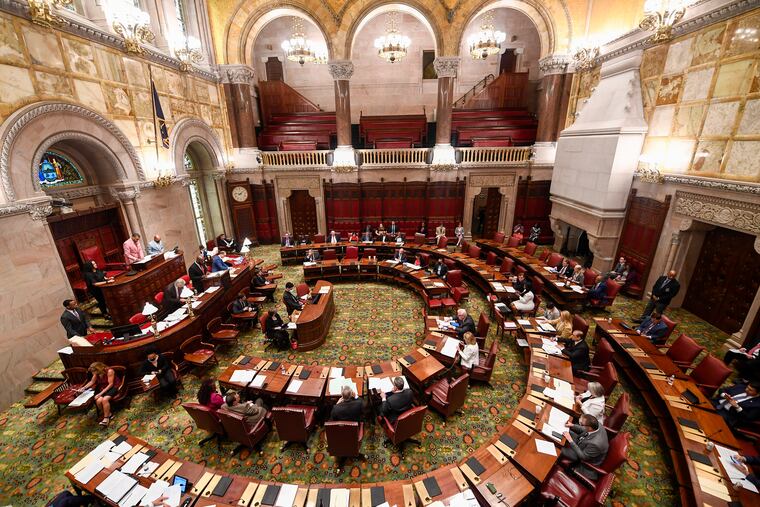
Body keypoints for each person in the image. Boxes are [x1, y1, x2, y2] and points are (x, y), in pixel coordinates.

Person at [560, 414, 609, 480]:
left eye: (581, 424)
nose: (580, 424)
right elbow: (584, 429)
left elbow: (583, 457)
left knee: (558, 448)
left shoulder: (596, 444)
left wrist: (570, 440)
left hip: (581, 458)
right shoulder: (596, 424)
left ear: (589, 428)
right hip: (582, 441)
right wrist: (572, 425)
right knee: (564, 431)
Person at [79, 362, 122, 426]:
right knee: (98, 401)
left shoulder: (109, 371)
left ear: (98, 369)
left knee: (105, 399)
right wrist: (84, 387)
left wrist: (100, 393)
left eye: (93, 372)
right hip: (103, 387)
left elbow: (111, 384)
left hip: (113, 387)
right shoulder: (96, 373)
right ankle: (109, 414)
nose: (93, 373)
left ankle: (106, 419)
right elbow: (92, 381)